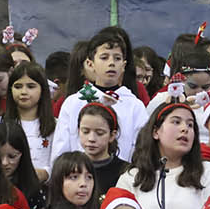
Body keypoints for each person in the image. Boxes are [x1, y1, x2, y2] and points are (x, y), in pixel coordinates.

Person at [51, 31, 148, 163]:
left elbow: (141, 150)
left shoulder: (134, 106)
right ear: (90, 64)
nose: (111, 63)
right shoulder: (73, 103)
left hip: (122, 179)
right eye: (104, 57)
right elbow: (61, 151)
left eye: (117, 58)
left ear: (124, 66)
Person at [7, 62, 55, 180]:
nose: (23, 92)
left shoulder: (56, 125)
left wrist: (46, 173)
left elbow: (61, 160)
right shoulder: (1, 123)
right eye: (18, 86)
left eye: (31, 86)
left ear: (43, 89)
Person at [76, 102, 128, 194]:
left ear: (112, 135)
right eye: (85, 131)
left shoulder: (125, 171)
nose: (91, 139)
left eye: (99, 133)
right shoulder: (69, 167)